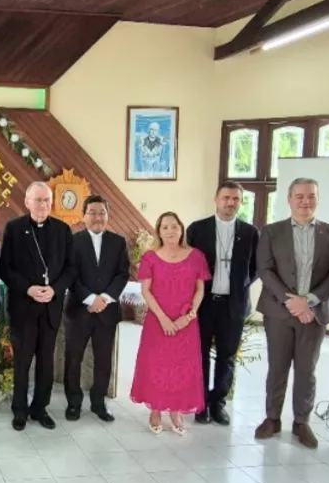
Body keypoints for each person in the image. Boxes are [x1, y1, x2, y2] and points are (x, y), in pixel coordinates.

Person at [255, 178, 329, 449]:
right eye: (300, 196)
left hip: (314, 314)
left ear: (317, 198)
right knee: (277, 367)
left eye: (311, 196)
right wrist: (291, 302)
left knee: (307, 370)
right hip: (278, 312)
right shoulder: (272, 232)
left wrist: (309, 302)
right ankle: (272, 418)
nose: (306, 201)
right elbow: (265, 269)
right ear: (289, 199)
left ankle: (301, 422)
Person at [0, 182, 76, 430]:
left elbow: (71, 269)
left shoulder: (63, 230)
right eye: (38, 200)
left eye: (46, 200)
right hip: (23, 307)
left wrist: (55, 289)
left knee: (46, 362)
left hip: (50, 307)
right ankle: (19, 410)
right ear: (27, 202)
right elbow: (4, 268)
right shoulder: (14, 228)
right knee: (22, 362)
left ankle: (40, 408)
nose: (42, 205)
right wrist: (28, 288)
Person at [130, 212, 210, 435]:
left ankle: (176, 410)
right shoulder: (150, 257)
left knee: (182, 366)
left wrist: (190, 315)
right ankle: (155, 410)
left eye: (174, 226)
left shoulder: (196, 256)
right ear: (159, 231)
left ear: (181, 229)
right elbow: (146, 290)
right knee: (156, 364)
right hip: (158, 321)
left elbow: (200, 289)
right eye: (164, 227)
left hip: (186, 322)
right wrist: (164, 319)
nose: (170, 231)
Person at [187, 181, 259, 426]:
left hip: (233, 304)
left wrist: (240, 284)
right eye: (226, 198)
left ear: (241, 202)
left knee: (227, 357)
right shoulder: (198, 229)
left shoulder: (250, 233)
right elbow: (188, 264)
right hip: (203, 303)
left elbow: (255, 268)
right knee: (200, 354)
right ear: (216, 200)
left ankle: (218, 403)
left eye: (235, 199)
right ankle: (200, 403)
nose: (230, 203)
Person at [63, 194, 129, 422]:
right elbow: (70, 274)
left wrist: (105, 298)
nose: (98, 217)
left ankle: (98, 403)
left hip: (107, 312)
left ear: (108, 216)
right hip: (78, 310)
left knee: (103, 360)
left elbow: (123, 274)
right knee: (73, 359)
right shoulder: (72, 241)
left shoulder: (118, 242)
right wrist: (90, 299)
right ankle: (73, 403)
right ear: (83, 216)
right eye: (92, 212)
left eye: (102, 212)